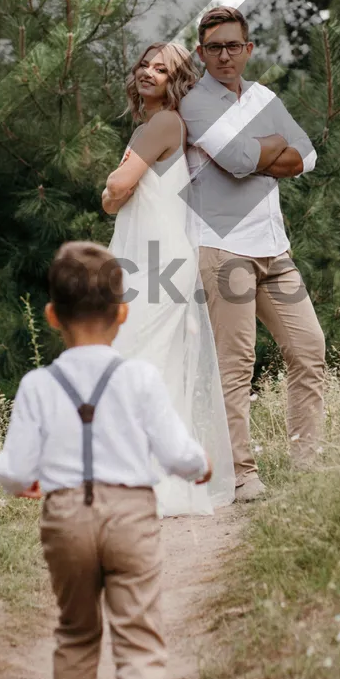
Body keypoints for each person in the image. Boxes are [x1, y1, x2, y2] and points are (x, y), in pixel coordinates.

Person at [0, 240, 210, 679]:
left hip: (64, 517)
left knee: (75, 630)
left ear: (51, 316)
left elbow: (12, 471)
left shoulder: (39, 384)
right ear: (124, 313)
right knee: (139, 638)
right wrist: (199, 467)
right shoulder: (138, 378)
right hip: (131, 517)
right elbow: (176, 450)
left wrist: (30, 483)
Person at [179, 5, 326, 504]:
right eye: (214, 47)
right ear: (201, 53)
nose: (224, 55)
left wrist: (262, 154)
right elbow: (240, 162)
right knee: (236, 364)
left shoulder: (264, 97)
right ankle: (241, 475)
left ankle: (307, 465)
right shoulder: (194, 103)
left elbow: (307, 154)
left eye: (233, 46)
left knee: (309, 351)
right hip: (223, 249)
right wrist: (271, 150)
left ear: (249, 49)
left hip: (274, 248)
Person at [99, 40, 235, 515]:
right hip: (157, 255)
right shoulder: (164, 125)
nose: (149, 73)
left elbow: (116, 188)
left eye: (162, 69)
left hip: (153, 259)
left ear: (175, 82)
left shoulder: (160, 123)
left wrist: (111, 192)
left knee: (135, 359)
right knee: (152, 363)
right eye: (145, 64)